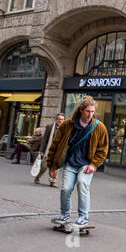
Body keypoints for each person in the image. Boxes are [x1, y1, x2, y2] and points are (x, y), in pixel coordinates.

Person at [47, 96, 109, 227]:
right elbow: (55, 146)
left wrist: (94, 164)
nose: (90, 114)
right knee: (65, 189)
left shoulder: (99, 127)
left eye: (92, 112)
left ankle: (83, 217)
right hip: (70, 164)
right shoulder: (67, 125)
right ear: (81, 110)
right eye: (87, 111)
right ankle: (64, 215)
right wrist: (52, 166)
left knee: (82, 183)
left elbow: (103, 149)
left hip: (86, 165)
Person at [34, 113, 65, 187]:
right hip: (49, 150)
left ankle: (53, 181)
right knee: (44, 166)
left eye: (62, 119)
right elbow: (44, 139)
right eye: (59, 119)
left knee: (55, 167)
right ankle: (37, 177)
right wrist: (41, 149)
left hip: (58, 151)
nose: (60, 121)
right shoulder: (50, 126)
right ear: (56, 119)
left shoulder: (65, 128)